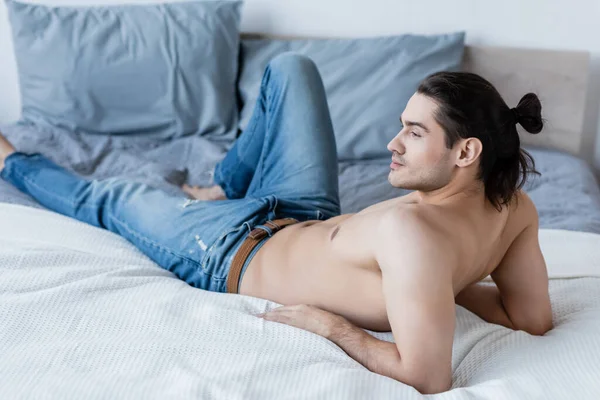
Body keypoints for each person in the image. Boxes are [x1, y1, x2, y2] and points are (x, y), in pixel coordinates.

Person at [0, 53, 553, 394]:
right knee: (291, 70)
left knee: (113, 196)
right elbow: (528, 316)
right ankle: (223, 180)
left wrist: (333, 326)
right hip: (304, 212)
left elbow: (428, 377)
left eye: (413, 132)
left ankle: (10, 159)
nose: (392, 143)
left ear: (466, 152)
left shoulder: (414, 236)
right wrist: (439, 288)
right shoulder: (515, 210)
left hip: (225, 248)